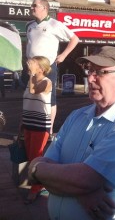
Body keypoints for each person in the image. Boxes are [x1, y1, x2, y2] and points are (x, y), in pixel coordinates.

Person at [27, 46, 115, 220]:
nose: (90, 78)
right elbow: (60, 176)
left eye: (100, 72)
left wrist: (36, 168)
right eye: (90, 70)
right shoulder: (77, 116)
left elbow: (86, 179)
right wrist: (81, 191)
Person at [26, 0, 79, 139]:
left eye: (34, 5)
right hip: (32, 68)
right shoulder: (29, 25)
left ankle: (48, 129)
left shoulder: (55, 24)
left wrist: (63, 55)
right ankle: (32, 125)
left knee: (49, 97)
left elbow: (75, 39)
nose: (31, 7)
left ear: (44, 8)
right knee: (32, 95)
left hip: (47, 67)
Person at [22, 56, 52, 204]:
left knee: (35, 158)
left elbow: (34, 91)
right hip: (28, 123)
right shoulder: (30, 81)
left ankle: (36, 188)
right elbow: (27, 102)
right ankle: (39, 183)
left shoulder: (47, 82)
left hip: (40, 124)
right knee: (30, 157)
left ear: (41, 68)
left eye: (33, 64)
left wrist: (32, 74)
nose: (29, 65)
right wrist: (21, 125)